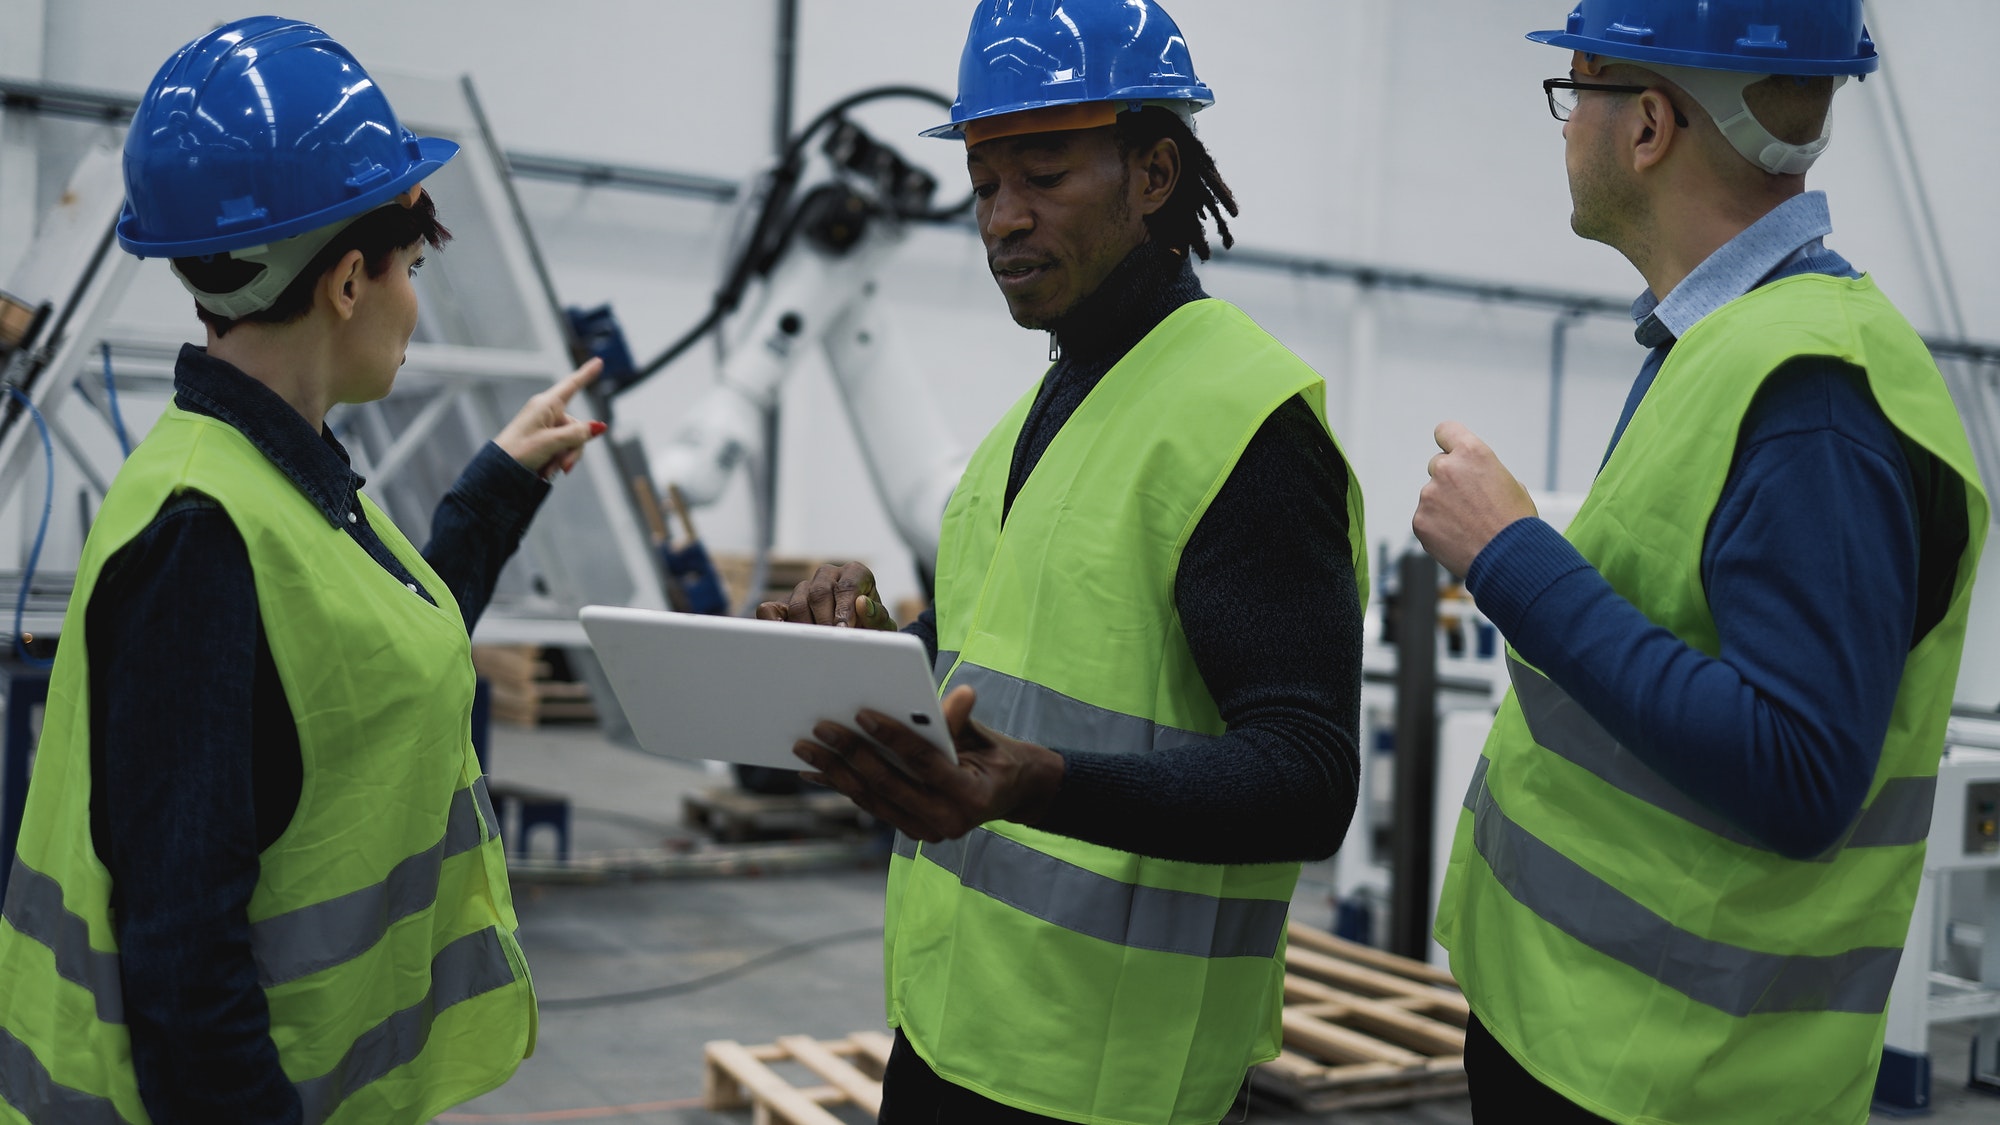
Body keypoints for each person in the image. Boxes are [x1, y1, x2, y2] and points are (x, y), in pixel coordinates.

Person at [758, 3, 1369, 1121]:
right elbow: (1002, 692)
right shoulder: (1024, 429)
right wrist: (866, 666)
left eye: (1040, 173)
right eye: (985, 183)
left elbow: (1308, 775)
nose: (1002, 218)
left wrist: (1044, 784)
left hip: (1111, 1082)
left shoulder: (1241, 424)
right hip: (951, 1034)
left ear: (1152, 172)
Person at [0, 17, 606, 1123]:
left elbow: (368, 666)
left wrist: (500, 484)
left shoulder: (272, 471)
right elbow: (186, 974)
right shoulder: (203, 534)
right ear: (344, 282)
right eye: (411, 267)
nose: (414, 298)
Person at [1414, 2, 1987, 1122]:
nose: (1563, 123)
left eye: (1573, 87)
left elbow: (1798, 771)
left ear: (1646, 126)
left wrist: (1508, 559)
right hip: (1588, 1044)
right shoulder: (1729, 345)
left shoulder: (1811, 397)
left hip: (1668, 1081)